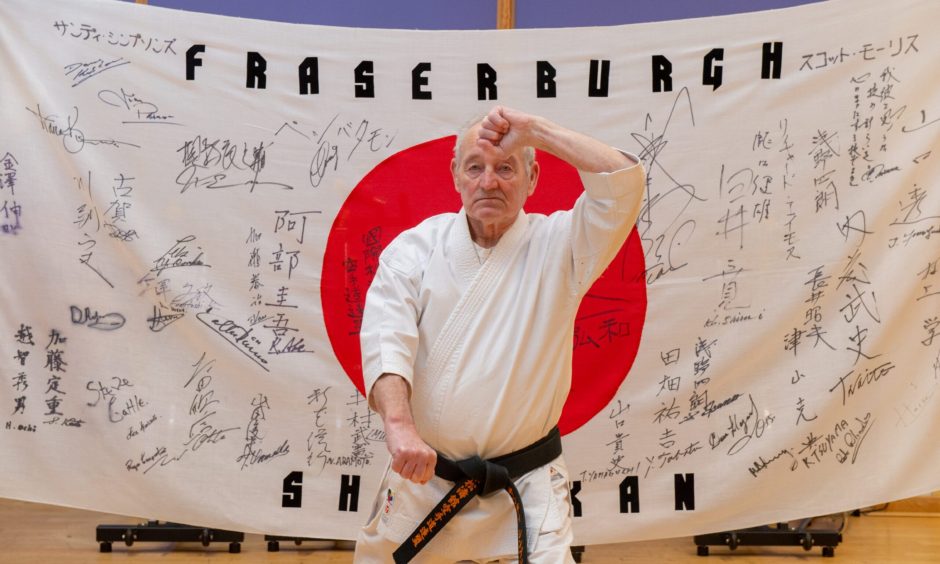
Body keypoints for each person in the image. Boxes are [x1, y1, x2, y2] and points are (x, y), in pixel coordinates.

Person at [354, 105, 645, 563]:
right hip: (426, 481)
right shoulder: (413, 252)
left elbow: (623, 181)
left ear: (533, 177)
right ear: (455, 174)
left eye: (506, 167)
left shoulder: (563, 246)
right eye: (476, 167)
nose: (489, 182)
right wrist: (399, 426)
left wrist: (535, 131)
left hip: (525, 486)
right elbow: (386, 339)